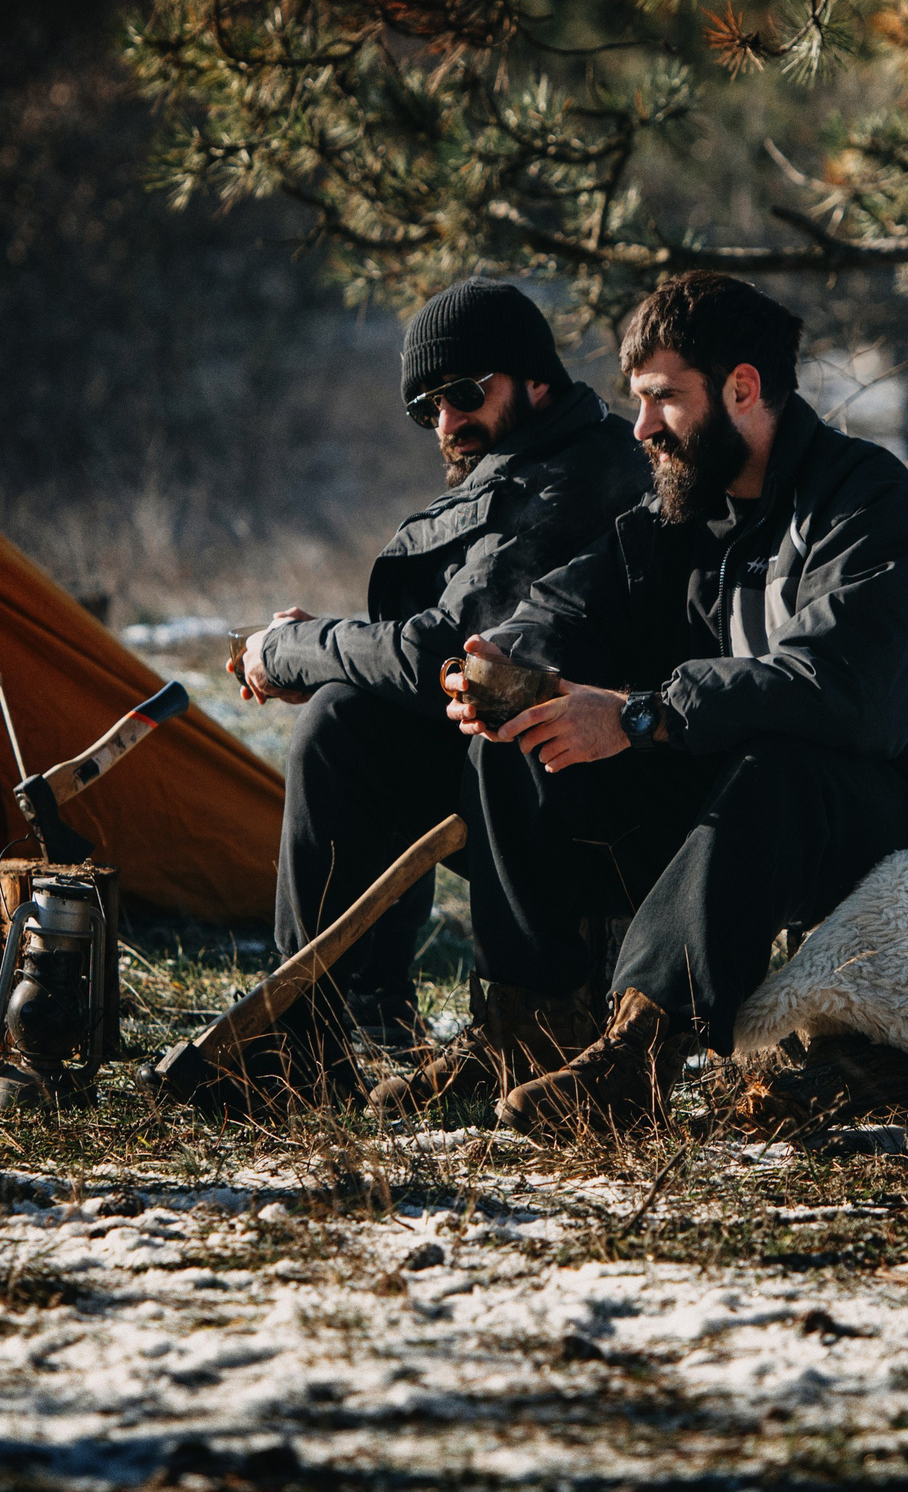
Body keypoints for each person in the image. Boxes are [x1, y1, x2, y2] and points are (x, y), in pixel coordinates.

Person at [379, 272, 908, 1129]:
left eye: (661, 400)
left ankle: (640, 1052)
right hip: (742, 799)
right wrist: (503, 663)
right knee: (525, 742)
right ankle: (526, 1031)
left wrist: (643, 713)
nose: (640, 428)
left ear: (742, 388)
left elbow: (851, 697)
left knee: (776, 765)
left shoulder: (874, 506)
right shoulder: (689, 508)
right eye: (637, 402)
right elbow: (575, 600)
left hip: (888, 807)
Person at [233, 278, 648, 1043]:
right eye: (428, 408)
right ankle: (341, 1022)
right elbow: (425, 653)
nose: (449, 421)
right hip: (528, 770)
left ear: (535, 378)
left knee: (345, 721)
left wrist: (292, 650)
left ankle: (323, 1026)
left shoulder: (576, 478)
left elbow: (444, 652)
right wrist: (330, 658)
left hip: (604, 795)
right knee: (351, 715)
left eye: (464, 392)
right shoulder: (533, 461)